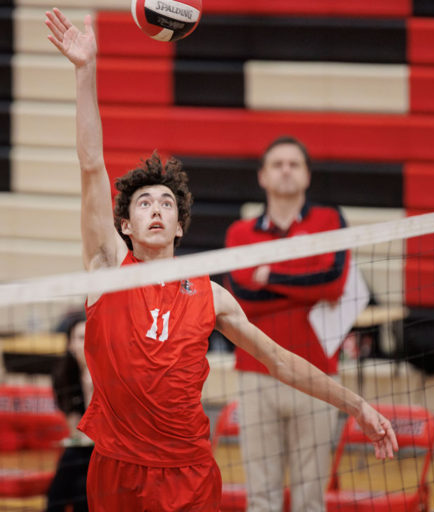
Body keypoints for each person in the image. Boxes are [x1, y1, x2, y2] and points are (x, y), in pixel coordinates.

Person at [45, 8, 397, 511]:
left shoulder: (211, 296)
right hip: (118, 469)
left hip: (188, 473)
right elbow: (90, 164)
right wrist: (86, 72)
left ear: (180, 226)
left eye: (166, 203)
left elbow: (280, 361)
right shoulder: (107, 270)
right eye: (143, 203)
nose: (156, 209)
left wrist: (357, 404)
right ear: (125, 225)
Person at [225, 135, 349, 512]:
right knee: (261, 497)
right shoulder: (239, 232)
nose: (285, 171)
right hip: (256, 374)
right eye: (277, 164)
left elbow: (334, 282)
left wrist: (270, 277)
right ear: (262, 176)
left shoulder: (331, 220)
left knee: (310, 500)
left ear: (307, 175)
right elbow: (242, 298)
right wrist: (305, 286)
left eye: (294, 164)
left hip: (317, 374)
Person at [47, 310, 94, 512]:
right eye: (80, 338)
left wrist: (91, 386)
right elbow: (76, 429)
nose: (86, 343)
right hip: (82, 448)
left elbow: (98, 426)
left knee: (78, 485)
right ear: (70, 344)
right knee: (73, 483)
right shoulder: (64, 375)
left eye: (90, 337)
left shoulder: (107, 373)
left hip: (106, 448)